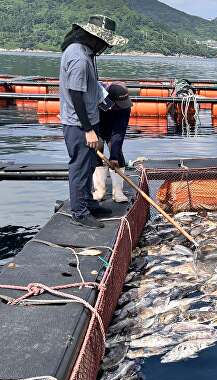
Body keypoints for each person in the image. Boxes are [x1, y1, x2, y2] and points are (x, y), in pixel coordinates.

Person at [59, 15, 127, 229]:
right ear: (94, 38)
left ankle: (88, 202)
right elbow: (76, 94)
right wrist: (88, 129)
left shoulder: (83, 52)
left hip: (88, 120)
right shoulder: (79, 58)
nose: (105, 46)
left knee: (88, 165)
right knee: (79, 167)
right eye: (104, 42)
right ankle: (79, 212)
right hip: (79, 124)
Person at [92, 82, 132, 203]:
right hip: (97, 127)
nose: (121, 106)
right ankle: (99, 190)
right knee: (97, 149)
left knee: (118, 154)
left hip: (113, 129)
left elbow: (119, 132)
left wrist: (114, 155)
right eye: (118, 104)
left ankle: (118, 192)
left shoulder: (125, 107)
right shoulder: (96, 99)